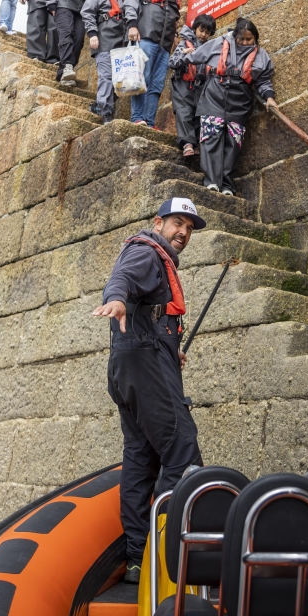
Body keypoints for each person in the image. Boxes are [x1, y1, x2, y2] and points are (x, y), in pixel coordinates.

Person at [93, 197, 206, 582]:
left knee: (141, 459)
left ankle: (140, 558)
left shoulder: (157, 257)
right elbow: (122, 280)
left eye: (189, 228)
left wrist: (171, 348)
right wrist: (116, 301)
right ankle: (169, 552)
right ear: (158, 223)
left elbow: (151, 314)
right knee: (182, 448)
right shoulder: (146, 252)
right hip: (142, 364)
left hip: (132, 364)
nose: (184, 233)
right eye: (178, 223)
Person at [181, 17, 278, 196]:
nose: (245, 42)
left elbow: (263, 81)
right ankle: (212, 181)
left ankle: (226, 184)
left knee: (233, 141)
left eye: (249, 39)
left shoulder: (261, 56)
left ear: (255, 38)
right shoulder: (220, 43)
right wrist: (184, 55)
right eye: (242, 38)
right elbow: (196, 55)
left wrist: (269, 98)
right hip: (215, 93)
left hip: (240, 100)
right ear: (235, 36)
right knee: (211, 135)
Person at [124, 0, 183, 128]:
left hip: (164, 44)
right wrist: (132, 25)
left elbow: (172, 13)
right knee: (141, 78)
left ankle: (149, 121)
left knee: (157, 84)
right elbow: (131, 1)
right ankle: (137, 118)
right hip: (146, 37)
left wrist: (175, 37)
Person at [81, 0, 133, 124]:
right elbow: (87, 12)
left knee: (121, 81)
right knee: (106, 76)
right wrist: (92, 34)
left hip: (121, 43)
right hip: (103, 39)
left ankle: (100, 104)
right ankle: (106, 113)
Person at [169, 14, 217, 156]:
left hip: (200, 86)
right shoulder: (184, 44)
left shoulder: (210, 48)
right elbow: (172, 62)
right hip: (183, 85)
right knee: (184, 112)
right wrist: (184, 55)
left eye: (207, 32)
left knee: (199, 114)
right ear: (195, 28)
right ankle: (187, 144)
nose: (203, 35)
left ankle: (196, 144)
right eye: (201, 30)